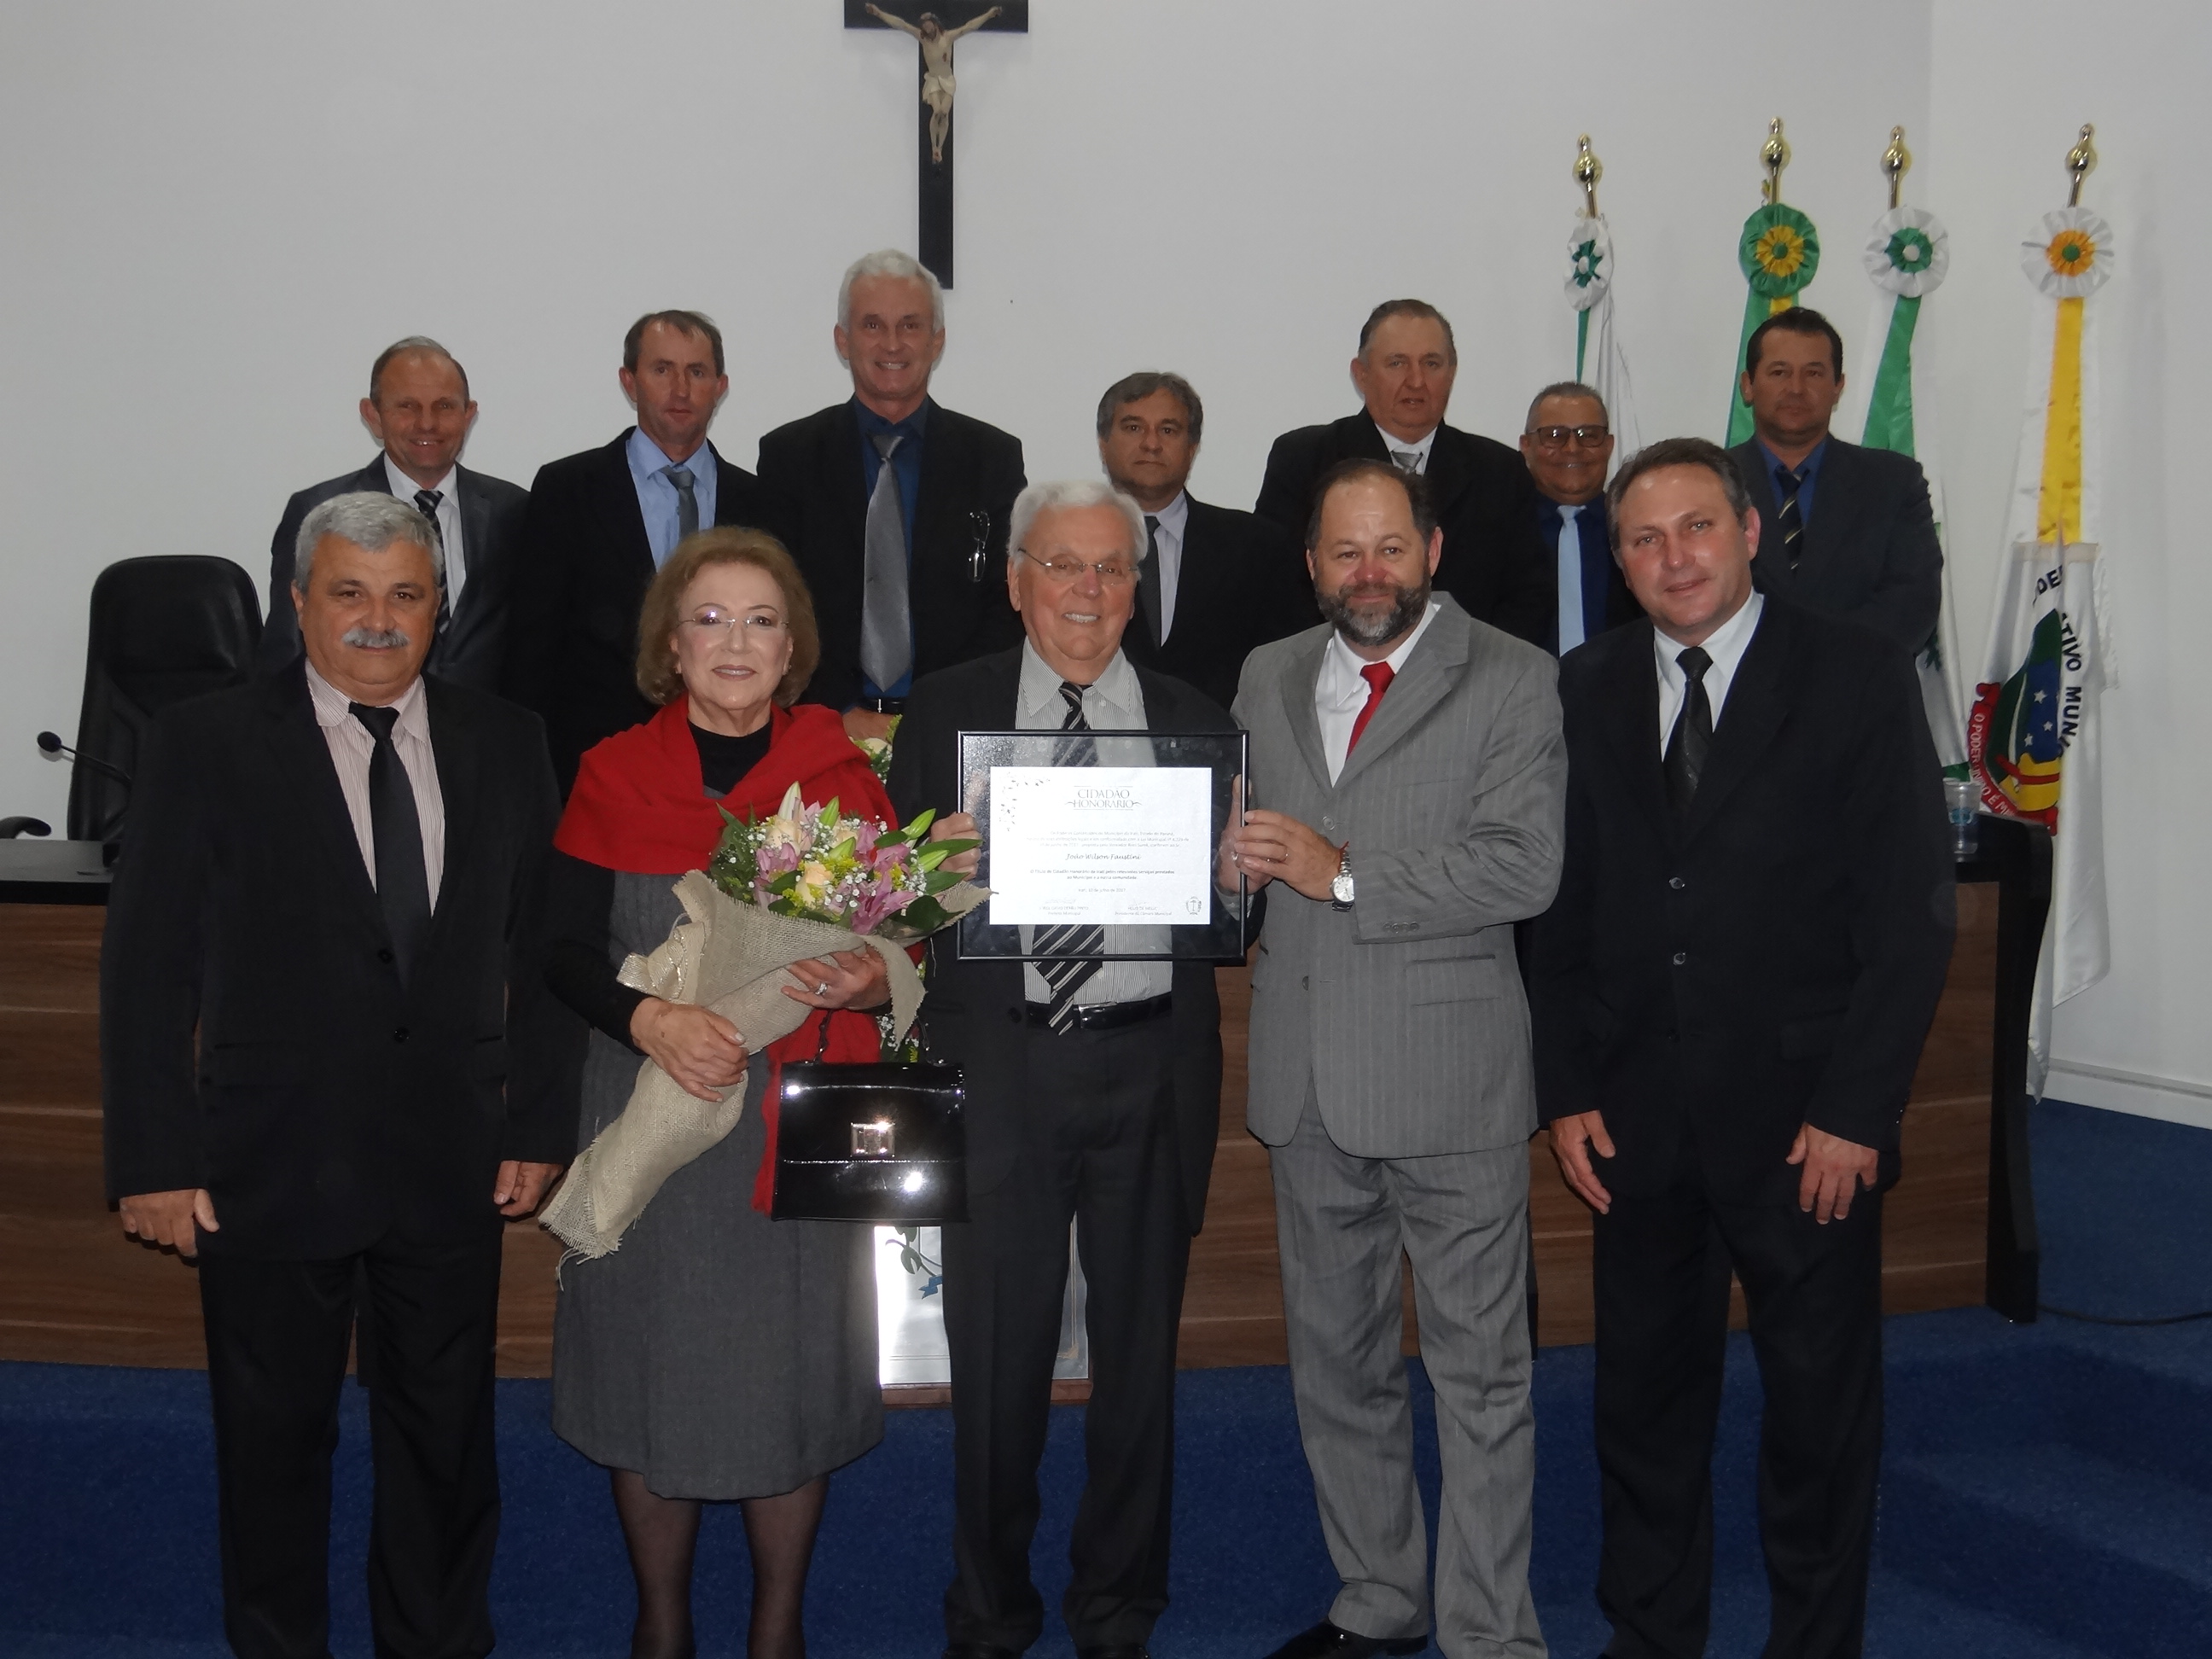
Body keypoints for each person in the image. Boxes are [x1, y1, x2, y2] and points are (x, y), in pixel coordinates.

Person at [103, 491, 571, 1659]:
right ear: (300, 602)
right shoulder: (203, 741)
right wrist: (154, 1160)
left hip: (449, 1160)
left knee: (447, 1449)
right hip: (267, 1163)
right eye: (350, 594)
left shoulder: (507, 740)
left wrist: (538, 1124)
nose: (378, 619)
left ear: (440, 609)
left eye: (405, 594)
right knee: (272, 1451)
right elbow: (146, 967)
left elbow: (546, 954)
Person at [1530, 438, 1954, 1659]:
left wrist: (1860, 1112)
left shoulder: (1862, 675)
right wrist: (1566, 1091)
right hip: (1635, 1125)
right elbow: (1558, 914)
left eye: (1699, 528)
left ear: (1752, 531)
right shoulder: (1585, 688)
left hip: (1806, 1127)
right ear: (1618, 560)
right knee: (1644, 1412)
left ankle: (1814, 1644)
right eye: (1647, 539)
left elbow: (1913, 918)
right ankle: (1651, 1636)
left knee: (1819, 1416)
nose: (1677, 557)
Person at [888, 480, 1244, 1659]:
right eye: (1063, 565)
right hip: (1003, 1067)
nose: (1088, 591)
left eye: (1111, 570)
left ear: (1137, 589)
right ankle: (989, 1609)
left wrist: (1236, 877)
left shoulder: (1198, 718)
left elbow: (1222, 920)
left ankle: (1119, 1606)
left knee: (1141, 1367)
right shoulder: (942, 715)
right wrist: (927, 872)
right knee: (997, 1363)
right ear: (1017, 579)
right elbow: (893, 909)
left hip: (1152, 1064)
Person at [1226, 459, 1563, 1659]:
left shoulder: (1516, 677)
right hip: (1305, 1083)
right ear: (1312, 565)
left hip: (1452, 1080)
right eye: (1343, 554)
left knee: (1480, 1382)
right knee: (1339, 1367)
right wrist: (1226, 873)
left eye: (1389, 549)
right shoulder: (1266, 673)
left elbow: (1527, 867)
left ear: (1431, 551)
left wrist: (1344, 871)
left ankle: (1488, 1636)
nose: (1369, 574)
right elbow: (1253, 857)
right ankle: (1379, 1598)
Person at [545, 527, 894, 1659]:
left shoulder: (843, 776)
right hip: (652, 1110)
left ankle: (777, 1629)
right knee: (654, 1378)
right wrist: (650, 1019)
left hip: (796, 1128)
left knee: (785, 1382)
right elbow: (553, 951)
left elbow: (902, 950)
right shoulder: (609, 773)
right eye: (709, 619)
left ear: (793, 648)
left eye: (759, 621)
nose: (734, 642)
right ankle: (661, 1625)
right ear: (671, 646)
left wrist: (872, 972)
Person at [504, 310, 777, 792]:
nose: (680, 388)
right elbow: (531, 650)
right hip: (595, 764)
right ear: (629, 382)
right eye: (662, 369)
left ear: (721, 385)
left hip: (738, 767)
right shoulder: (567, 490)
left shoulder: (764, 502)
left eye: (697, 372)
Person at [758, 248, 1027, 737]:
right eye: (873, 326)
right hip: (821, 724)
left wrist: (934, 709)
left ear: (937, 341)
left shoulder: (992, 458)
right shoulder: (789, 457)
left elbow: (1008, 599)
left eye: (910, 325)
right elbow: (774, 598)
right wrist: (837, 708)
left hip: (953, 724)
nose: (893, 344)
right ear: (843, 340)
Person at [1254, 299, 1551, 647]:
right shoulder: (1304, 459)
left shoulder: (1500, 470)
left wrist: (1481, 668)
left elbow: (1529, 593)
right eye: (1397, 363)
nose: (1416, 381)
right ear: (1361, 373)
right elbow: (1278, 584)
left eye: (1432, 363)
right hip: (1339, 668)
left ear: (1452, 373)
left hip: (1473, 676)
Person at [259, 336, 530, 688]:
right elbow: (287, 645)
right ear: (373, 416)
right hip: (355, 728)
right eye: (407, 406)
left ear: (469, 415)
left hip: (484, 729)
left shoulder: (514, 509)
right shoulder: (317, 511)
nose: (427, 423)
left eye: (445, 406)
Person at [1727, 307, 1941, 655]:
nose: (1796, 389)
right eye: (1779, 372)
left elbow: (1912, 605)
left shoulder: (1895, 483)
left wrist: (1822, 669)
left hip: (1860, 696)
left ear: (1838, 386)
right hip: (1736, 696)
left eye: (1814, 373)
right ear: (1748, 385)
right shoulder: (1709, 483)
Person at [1095, 369, 1307, 710]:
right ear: (1103, 443)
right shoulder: (1068, 547)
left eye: (1168, 429)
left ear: (1192, 447)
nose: (1151, 443)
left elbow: (1287, 663)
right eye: (1134, 428)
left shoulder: (1259, 546)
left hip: (1225, 743)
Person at [1518, 381, 1639, 656]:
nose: (1573, 447)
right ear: (1526, 446)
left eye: (1589, 434)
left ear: (1609, 446)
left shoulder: (1636, 530)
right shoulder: (1499, 532)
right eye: (1554, 435)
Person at [865, 3, 1004, 164]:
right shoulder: (923, 39)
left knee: (944, 113)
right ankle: (934, 147)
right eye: (924, 26)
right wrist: (879, 13)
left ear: (935, 23)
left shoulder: (948, 37)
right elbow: (901, 24)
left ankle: (940, 147)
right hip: (932, 80)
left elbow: (969, 27)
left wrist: (988, 15)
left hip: (947, 80)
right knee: (937, 110)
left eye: (928, 24)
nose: (926, 28)